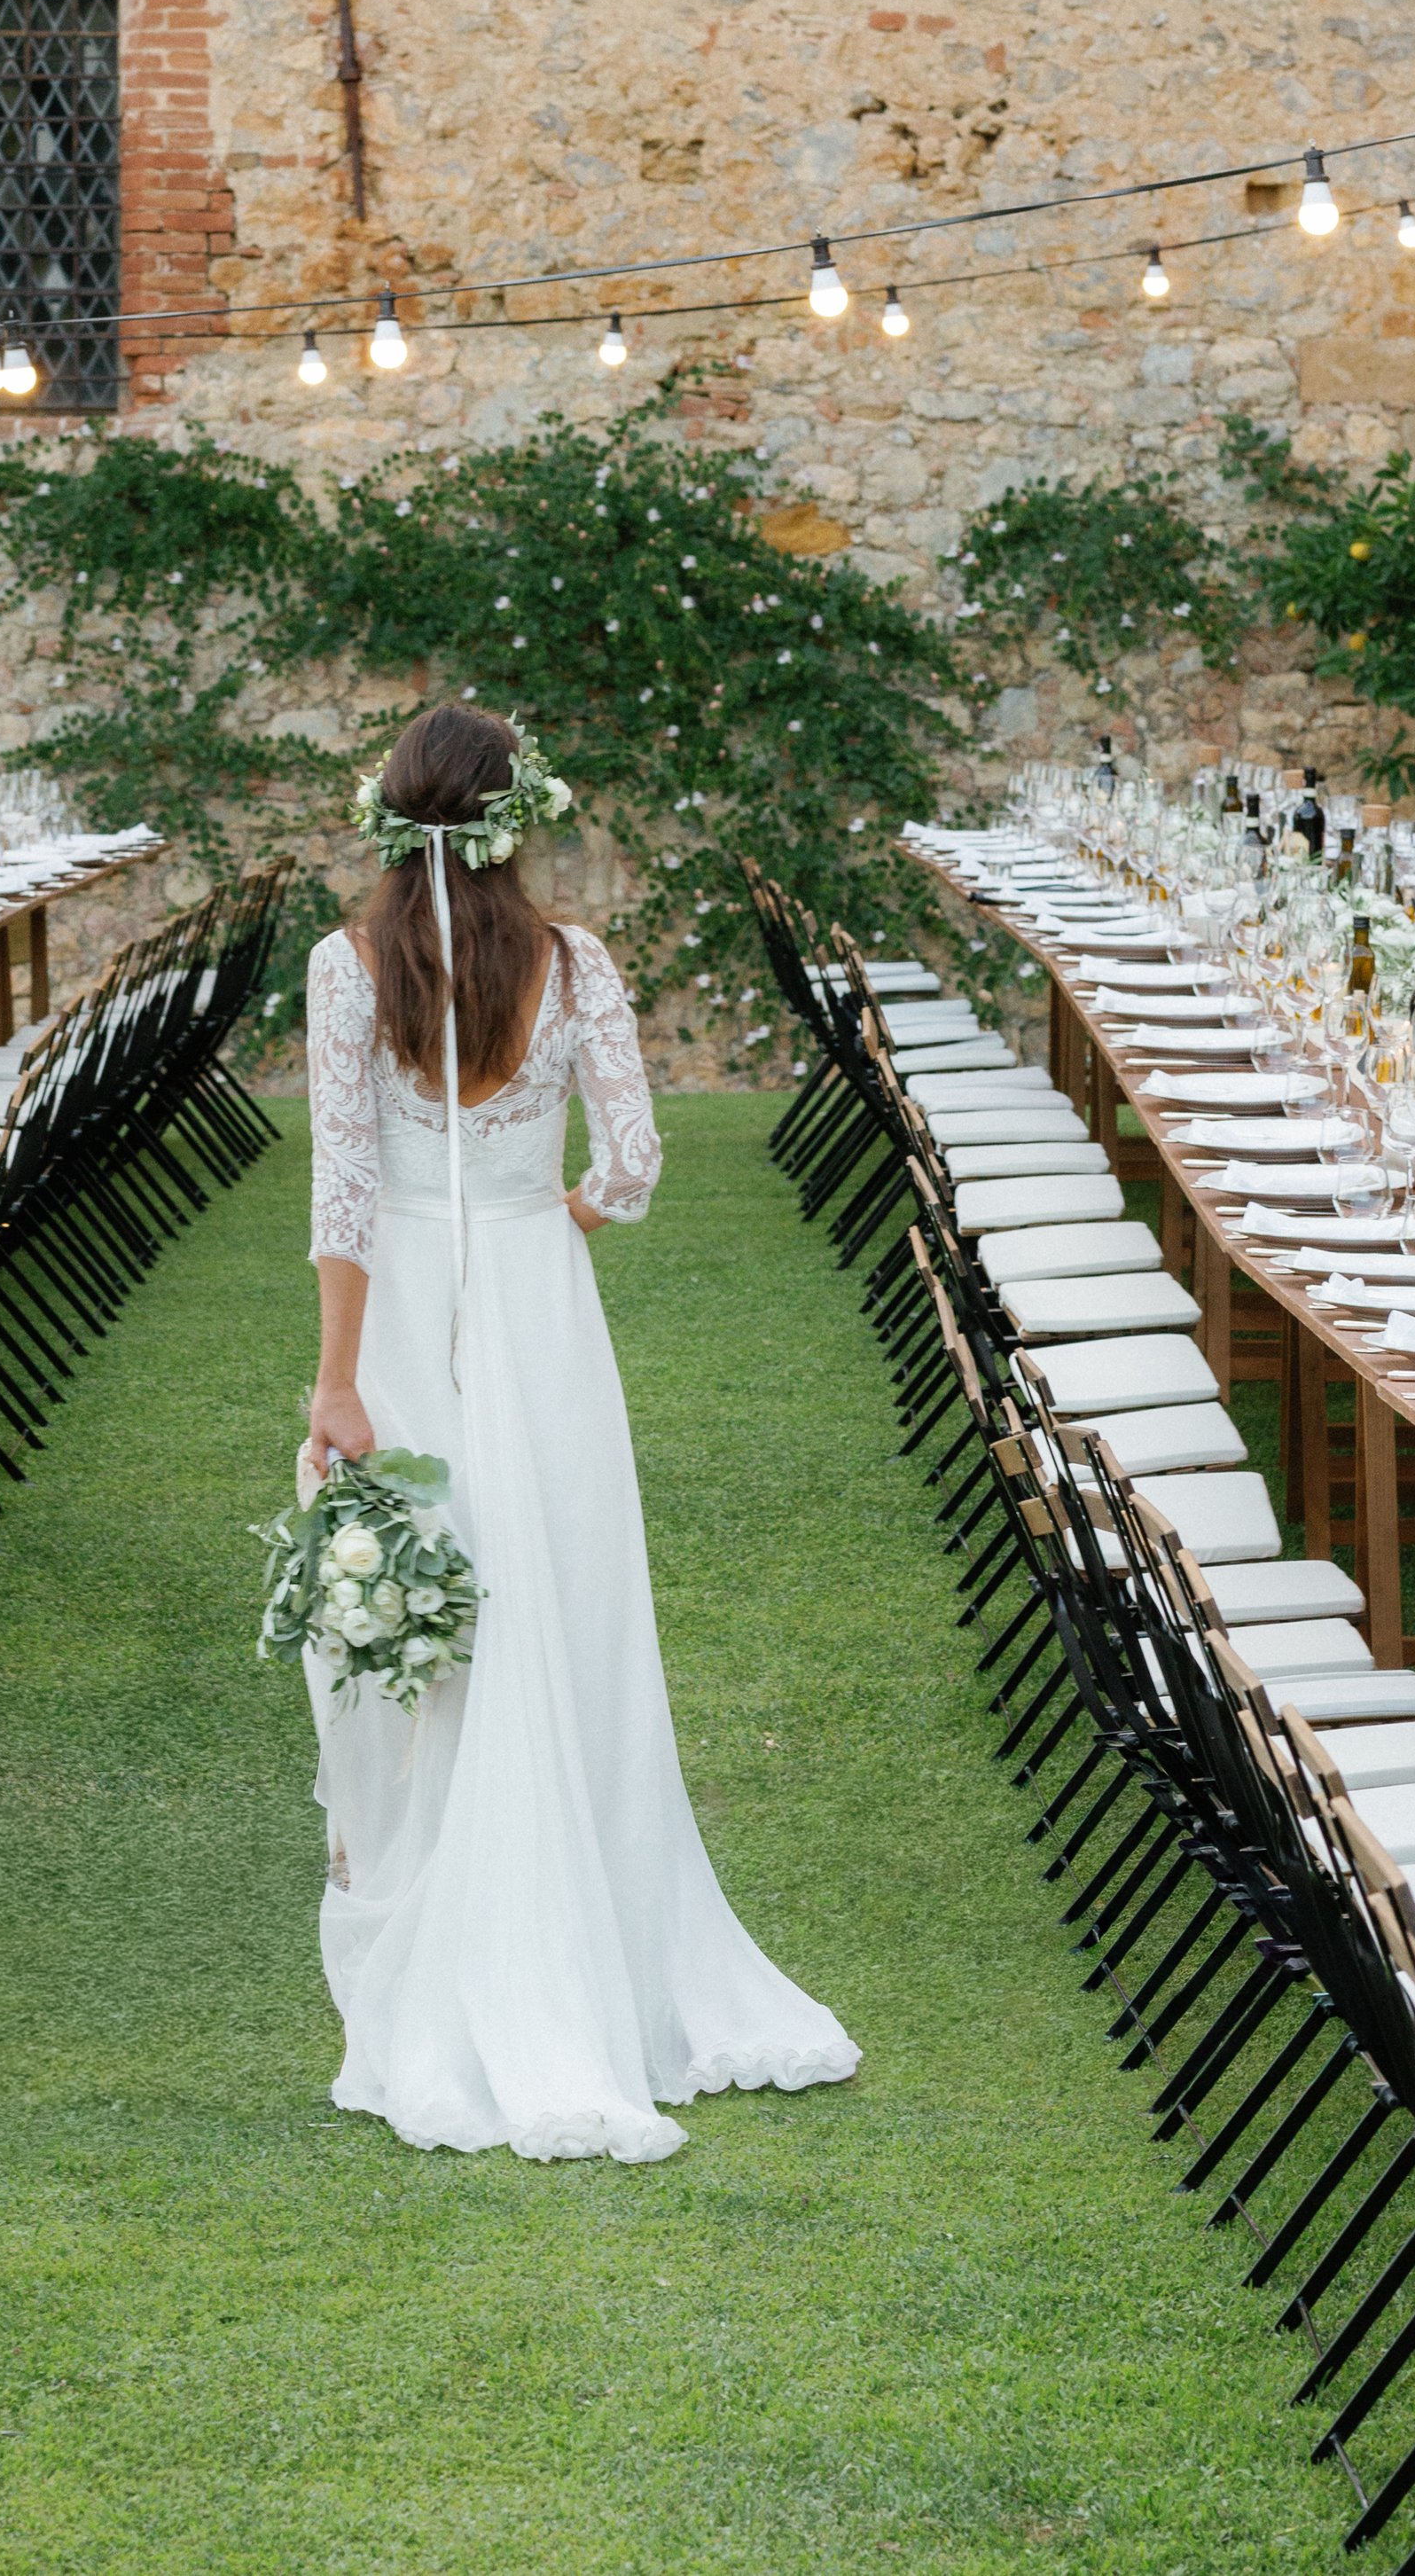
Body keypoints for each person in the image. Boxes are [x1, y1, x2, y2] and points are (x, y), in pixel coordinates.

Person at [301, 703, 858, 2164]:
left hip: (413, 1303)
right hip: (541, 1307)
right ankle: (592, 1944)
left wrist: (337, 1383)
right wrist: (570, 1215)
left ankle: (451, 1916)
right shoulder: (577, 963)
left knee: (428, 1604)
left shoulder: (348, 966)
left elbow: (344, 1199)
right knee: (563, 1606)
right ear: (516, 819)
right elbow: (636, 1159)